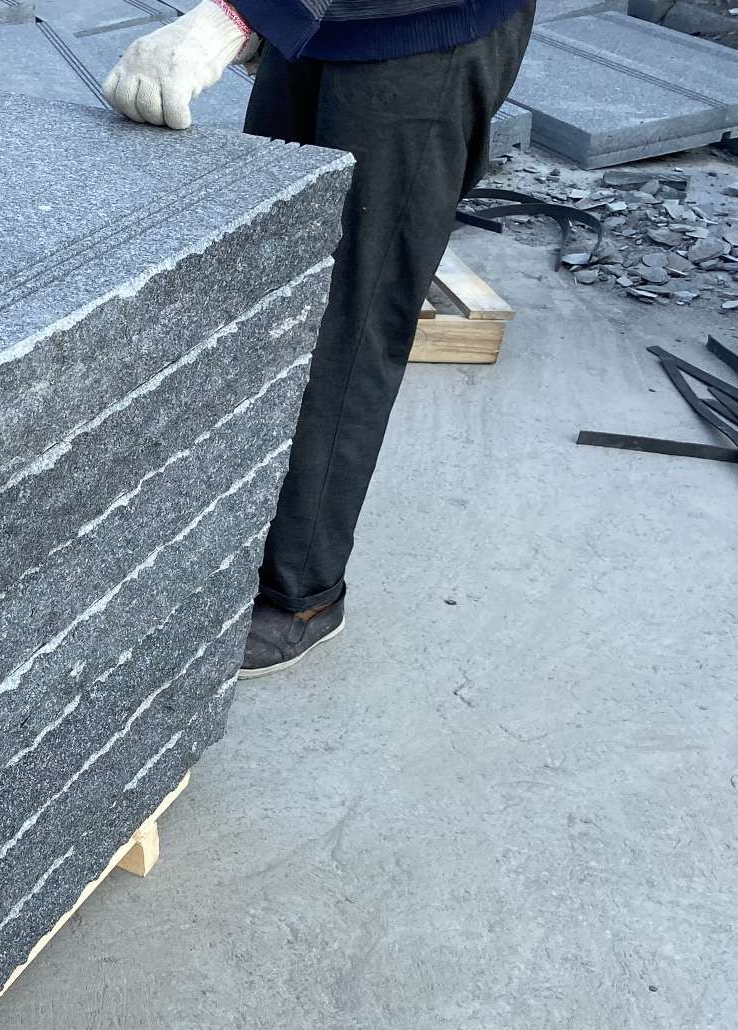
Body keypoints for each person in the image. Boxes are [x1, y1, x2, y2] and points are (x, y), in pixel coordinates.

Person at [103, 0, 534, 675]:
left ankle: (302, 591)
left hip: (422, 30)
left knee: (349, 318)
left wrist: (232, 15)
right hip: (321, 21)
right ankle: (233, 535)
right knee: (269, 280)